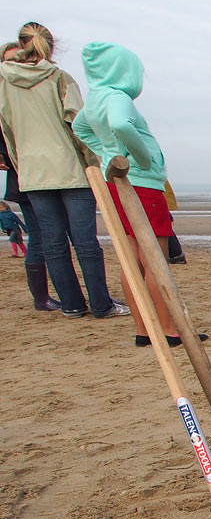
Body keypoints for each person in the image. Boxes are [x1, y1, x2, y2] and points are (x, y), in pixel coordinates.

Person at [0, 22, 128, 319]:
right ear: (51, 46)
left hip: (33, 172)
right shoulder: (59, 78)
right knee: (84, 242)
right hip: (69, 169)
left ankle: (72, 305)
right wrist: (93, 162)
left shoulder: (5, 81)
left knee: (53, 242)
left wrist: (21, 165)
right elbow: (79, 126)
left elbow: (7, 129)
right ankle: (101, 305)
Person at [73, 41, 193, 347]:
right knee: (155, 259)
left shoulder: (96, 98)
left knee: (133, 258)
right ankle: (169, 329)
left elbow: (80, 127)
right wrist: (142, 159)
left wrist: (107, 154)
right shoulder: (117, 97)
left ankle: (145, 329)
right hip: (141, 184)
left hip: (118, 183)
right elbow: (120, 124)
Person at [0, 79, 57, 311]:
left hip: (48, 174)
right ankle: (42, 298)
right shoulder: (8, 94)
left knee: (52, 236)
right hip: (26, 178)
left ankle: (56, 297)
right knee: (40, 237)